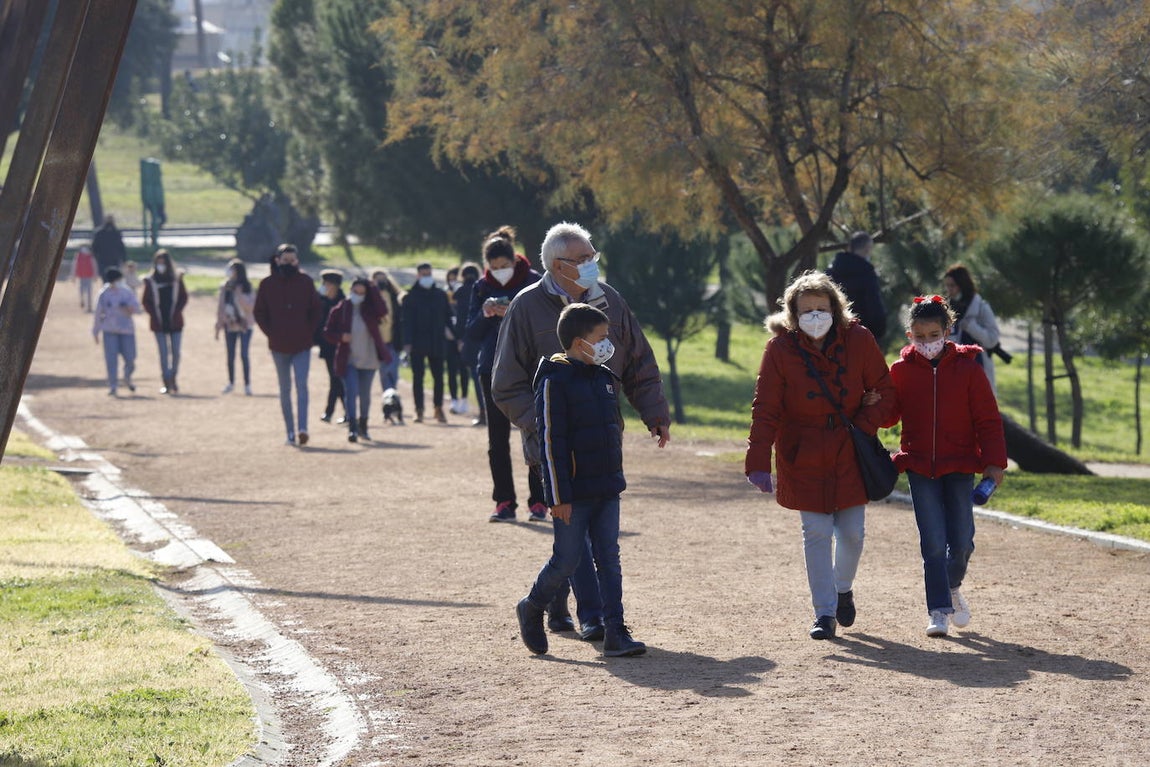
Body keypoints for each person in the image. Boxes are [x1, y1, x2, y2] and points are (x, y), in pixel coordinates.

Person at [492, 221, 671, 642]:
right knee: (577, 539)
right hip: (553, 446)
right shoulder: (526, 306)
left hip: (604, 443)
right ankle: (590, 615)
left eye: (594, 258)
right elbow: (506, 384)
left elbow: (638, 361)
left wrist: (654, 412)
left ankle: (582, 611)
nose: (591, 266)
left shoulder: (610, 301)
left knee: (597, 541)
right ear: (557, 265)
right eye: (583, 259)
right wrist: (549, 423)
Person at [745, 270, 896, 641]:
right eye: (807, 309)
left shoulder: (859, 339)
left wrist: (864, 421)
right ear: (793, 314)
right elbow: (766, 407)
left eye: (822, 308)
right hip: (802, 452)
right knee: (815, 532)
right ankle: (824, 612)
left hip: (849, 451)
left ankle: (842, 588)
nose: (815, 316)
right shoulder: (779, 349)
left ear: (836, 308)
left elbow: (886, 392)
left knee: (853, 533)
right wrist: (758, 460)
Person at [515, 303, 647, 657]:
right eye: (601, 338)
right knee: (567, 560)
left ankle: (615, 631)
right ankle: (532, 606)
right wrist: (557, 496)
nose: (607, 344)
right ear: (578, 342)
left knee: (609, 558)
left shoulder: (605, 378)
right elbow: (550, 442)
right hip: (572, 493)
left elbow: (611, 433)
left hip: (607, 489)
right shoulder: (554, 380)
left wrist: (616, 479)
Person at [882, 295, 1007, 637]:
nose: (926, 343)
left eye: (933, 335)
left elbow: (988, 420)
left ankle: (951, 587)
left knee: (963, 541)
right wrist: (874, 401)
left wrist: (995, 464)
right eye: (919, 337)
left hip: (960, 466)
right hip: (920, 467)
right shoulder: (900, 371)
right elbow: (890, 417)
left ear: (948, 330)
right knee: (933, 543)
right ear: (910, 334)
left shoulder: (969, 368)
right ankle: (938, 610)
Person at [464, 228, 545, 522]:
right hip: (492, 368)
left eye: (504, 266)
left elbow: (544, 324)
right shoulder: (481, 287)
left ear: (514, 259)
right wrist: (486, 314)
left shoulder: (533, 281)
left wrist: (513, 311)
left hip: (530, 367)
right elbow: (471, 332)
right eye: (494, 268)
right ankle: (504, 502)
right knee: (496, 439)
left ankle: (540, 500)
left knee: (536, 431)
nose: (499, 272)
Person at [254, 243, 323, 446]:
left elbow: (316, 310)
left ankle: (303, 428)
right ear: (277, 260)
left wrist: (307, 331)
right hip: (278, 346)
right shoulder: (267, 284)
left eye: (292, 261)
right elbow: (259, 313)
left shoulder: (305, 282)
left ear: (297, 261)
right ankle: (290, 432)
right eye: (285, 261)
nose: (289, 264)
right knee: (284, 389)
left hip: (302, 345)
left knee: (302, 385)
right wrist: (271, 333)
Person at [324, 277, 392, 442]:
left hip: (369, 360)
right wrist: (341, 337)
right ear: (350, 290)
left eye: (362, 293)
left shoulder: (370, 309)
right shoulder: (340, 309)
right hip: (349, 360)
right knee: (351, 393)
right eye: (356, 292)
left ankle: (364, 425)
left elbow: (383, 310)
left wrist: (371, 287)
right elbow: (327, 332)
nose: (358, 295)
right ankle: (352, 427)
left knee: (365, 395)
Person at [943, 264, 1007, 394]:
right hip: (953, 372)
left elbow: (992, 340)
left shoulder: (982, 308)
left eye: (952, 285)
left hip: (979, 369)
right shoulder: (945, 309)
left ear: (962, 285)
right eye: (947, 285)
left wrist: (972, 327)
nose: (949, 290)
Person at [402, 262, 452, 423]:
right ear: (418, 275)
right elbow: (406, 322)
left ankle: (438, 408)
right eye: (423, 274)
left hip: (437, 341)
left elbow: (448, 317)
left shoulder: (440, 295)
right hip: (417, 343)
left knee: (439, 377)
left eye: (429, 274)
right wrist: (407, 342)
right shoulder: (410, 297)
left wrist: (453, 334)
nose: (427, 277)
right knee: (418, 377)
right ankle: (419, 409)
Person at [140, 249, 189, 395]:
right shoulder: (151, 280)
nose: (160, 266)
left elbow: (183, 297)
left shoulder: (176, 279)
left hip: (175, 321)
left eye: (163, 263)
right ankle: (166, 381)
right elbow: (146, 301)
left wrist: (177, 311)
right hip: (158, 322)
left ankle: (173, 377)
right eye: (158, 263)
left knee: (175, 352)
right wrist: (154, 314)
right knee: (163, 353)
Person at [826, 231, 887, 342]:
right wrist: (879, 330)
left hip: (833, 332)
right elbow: (873, 304)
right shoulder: (867, 272)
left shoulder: (831, 272)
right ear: (867, 248)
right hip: (861, 332)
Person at [91, 267, 140, 396]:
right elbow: (98, 314)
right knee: (111, 360)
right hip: (109, 330)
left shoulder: (126, 291)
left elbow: (136, 307)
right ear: (111, 281)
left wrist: (129, 308)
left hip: (127, 330)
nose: (119, 281)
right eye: (117, 279)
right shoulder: (104, 294)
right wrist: (95, 331)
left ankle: (127, 376)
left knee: (131, 358)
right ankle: (113, 386)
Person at [215, 258, 255, 395]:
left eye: (232, 269)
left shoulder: (248, 287)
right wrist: (219, 322)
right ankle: (231, 382)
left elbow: (250, 307)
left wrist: (239, 295)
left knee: (244, 354)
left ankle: (247, 384)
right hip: (230, 324)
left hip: (245, 325)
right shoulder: (225, 287)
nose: (230, 272)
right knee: (230, 355)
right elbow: (221, 306)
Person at [455, 262, 485, 426]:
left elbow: (461, 319)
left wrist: (460, 339)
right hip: (486, 338)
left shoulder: (460, 292)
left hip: (470, 338)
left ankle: (483, 412)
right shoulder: (483, 288)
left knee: (477, 376)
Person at [317, 270, 348, 425]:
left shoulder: (343, 302)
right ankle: (347, 412)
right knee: (336, 379)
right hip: (327, 346)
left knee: (336, 379)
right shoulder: (321, 301)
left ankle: (330, 412)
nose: (323, 286)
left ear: (334, 285)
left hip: (340, 346)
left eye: (326, 283)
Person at [372, 270, 405, 393]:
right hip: (378, 341)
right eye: (378, 279)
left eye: (383, 279)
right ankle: (388, 395)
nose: (381, 282)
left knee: (392, 370)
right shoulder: (370, 297)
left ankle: (391, 394)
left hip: (393, 339)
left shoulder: (395, 297)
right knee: (384, 371)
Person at [444, 265, 468, 415]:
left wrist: (463, 338)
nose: (453, 281)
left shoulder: (465, 294)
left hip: (463, 338)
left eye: (455, 277)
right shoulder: (444, 293)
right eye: (450, 278)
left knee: (464, 370)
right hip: (449, 338)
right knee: (451, 371)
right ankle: (453, 399)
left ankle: (464, 399)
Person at [70, 244, 97, 312]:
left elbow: (94, 266)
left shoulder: (90, 256)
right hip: (82, 276)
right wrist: (73, 276)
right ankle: (83, 301)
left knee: (87, 291)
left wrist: (95, 275)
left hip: (88, 276)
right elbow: (74, 266)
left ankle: (88, 306)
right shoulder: (78, 256)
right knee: (84, 291)